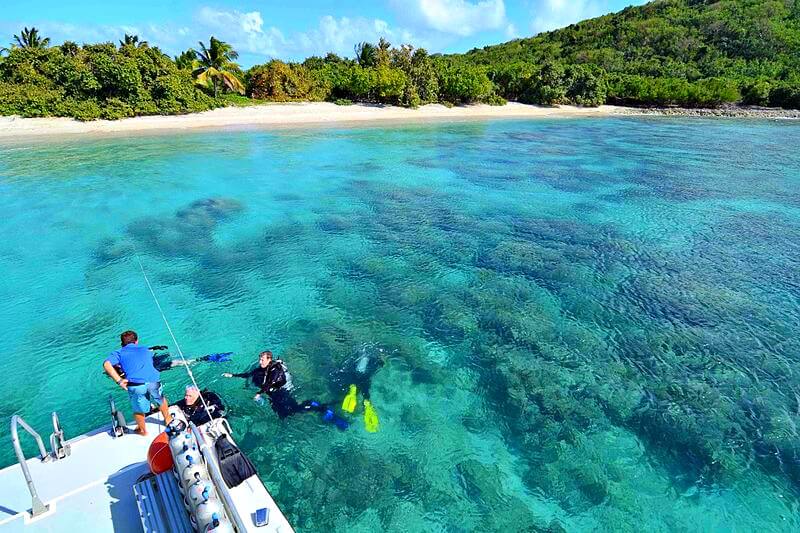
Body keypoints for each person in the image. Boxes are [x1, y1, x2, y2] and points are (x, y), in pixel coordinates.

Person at [223, 350, 348, 429]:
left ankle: (318, 407)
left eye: (262, 359)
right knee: (282, 415)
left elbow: (271, 382)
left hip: (282, 393)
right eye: (259, 359)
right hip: (273, 396)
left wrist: (258, 393)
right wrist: (232, 375)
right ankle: (316, 408)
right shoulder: (260, 369)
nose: (260, 361)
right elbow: (249, 374)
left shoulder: (276, 370)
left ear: (269, 359)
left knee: (294, 410)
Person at [103, 330, 172, 436]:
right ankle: (167, 420)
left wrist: (120, 381)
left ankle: (142, 430)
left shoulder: (119, 352)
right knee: (160, 399)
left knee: (138, 409)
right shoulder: (145, 349)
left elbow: (106, 364)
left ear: (122, 343)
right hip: (153, 380)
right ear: (136, 341)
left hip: (136, 385)